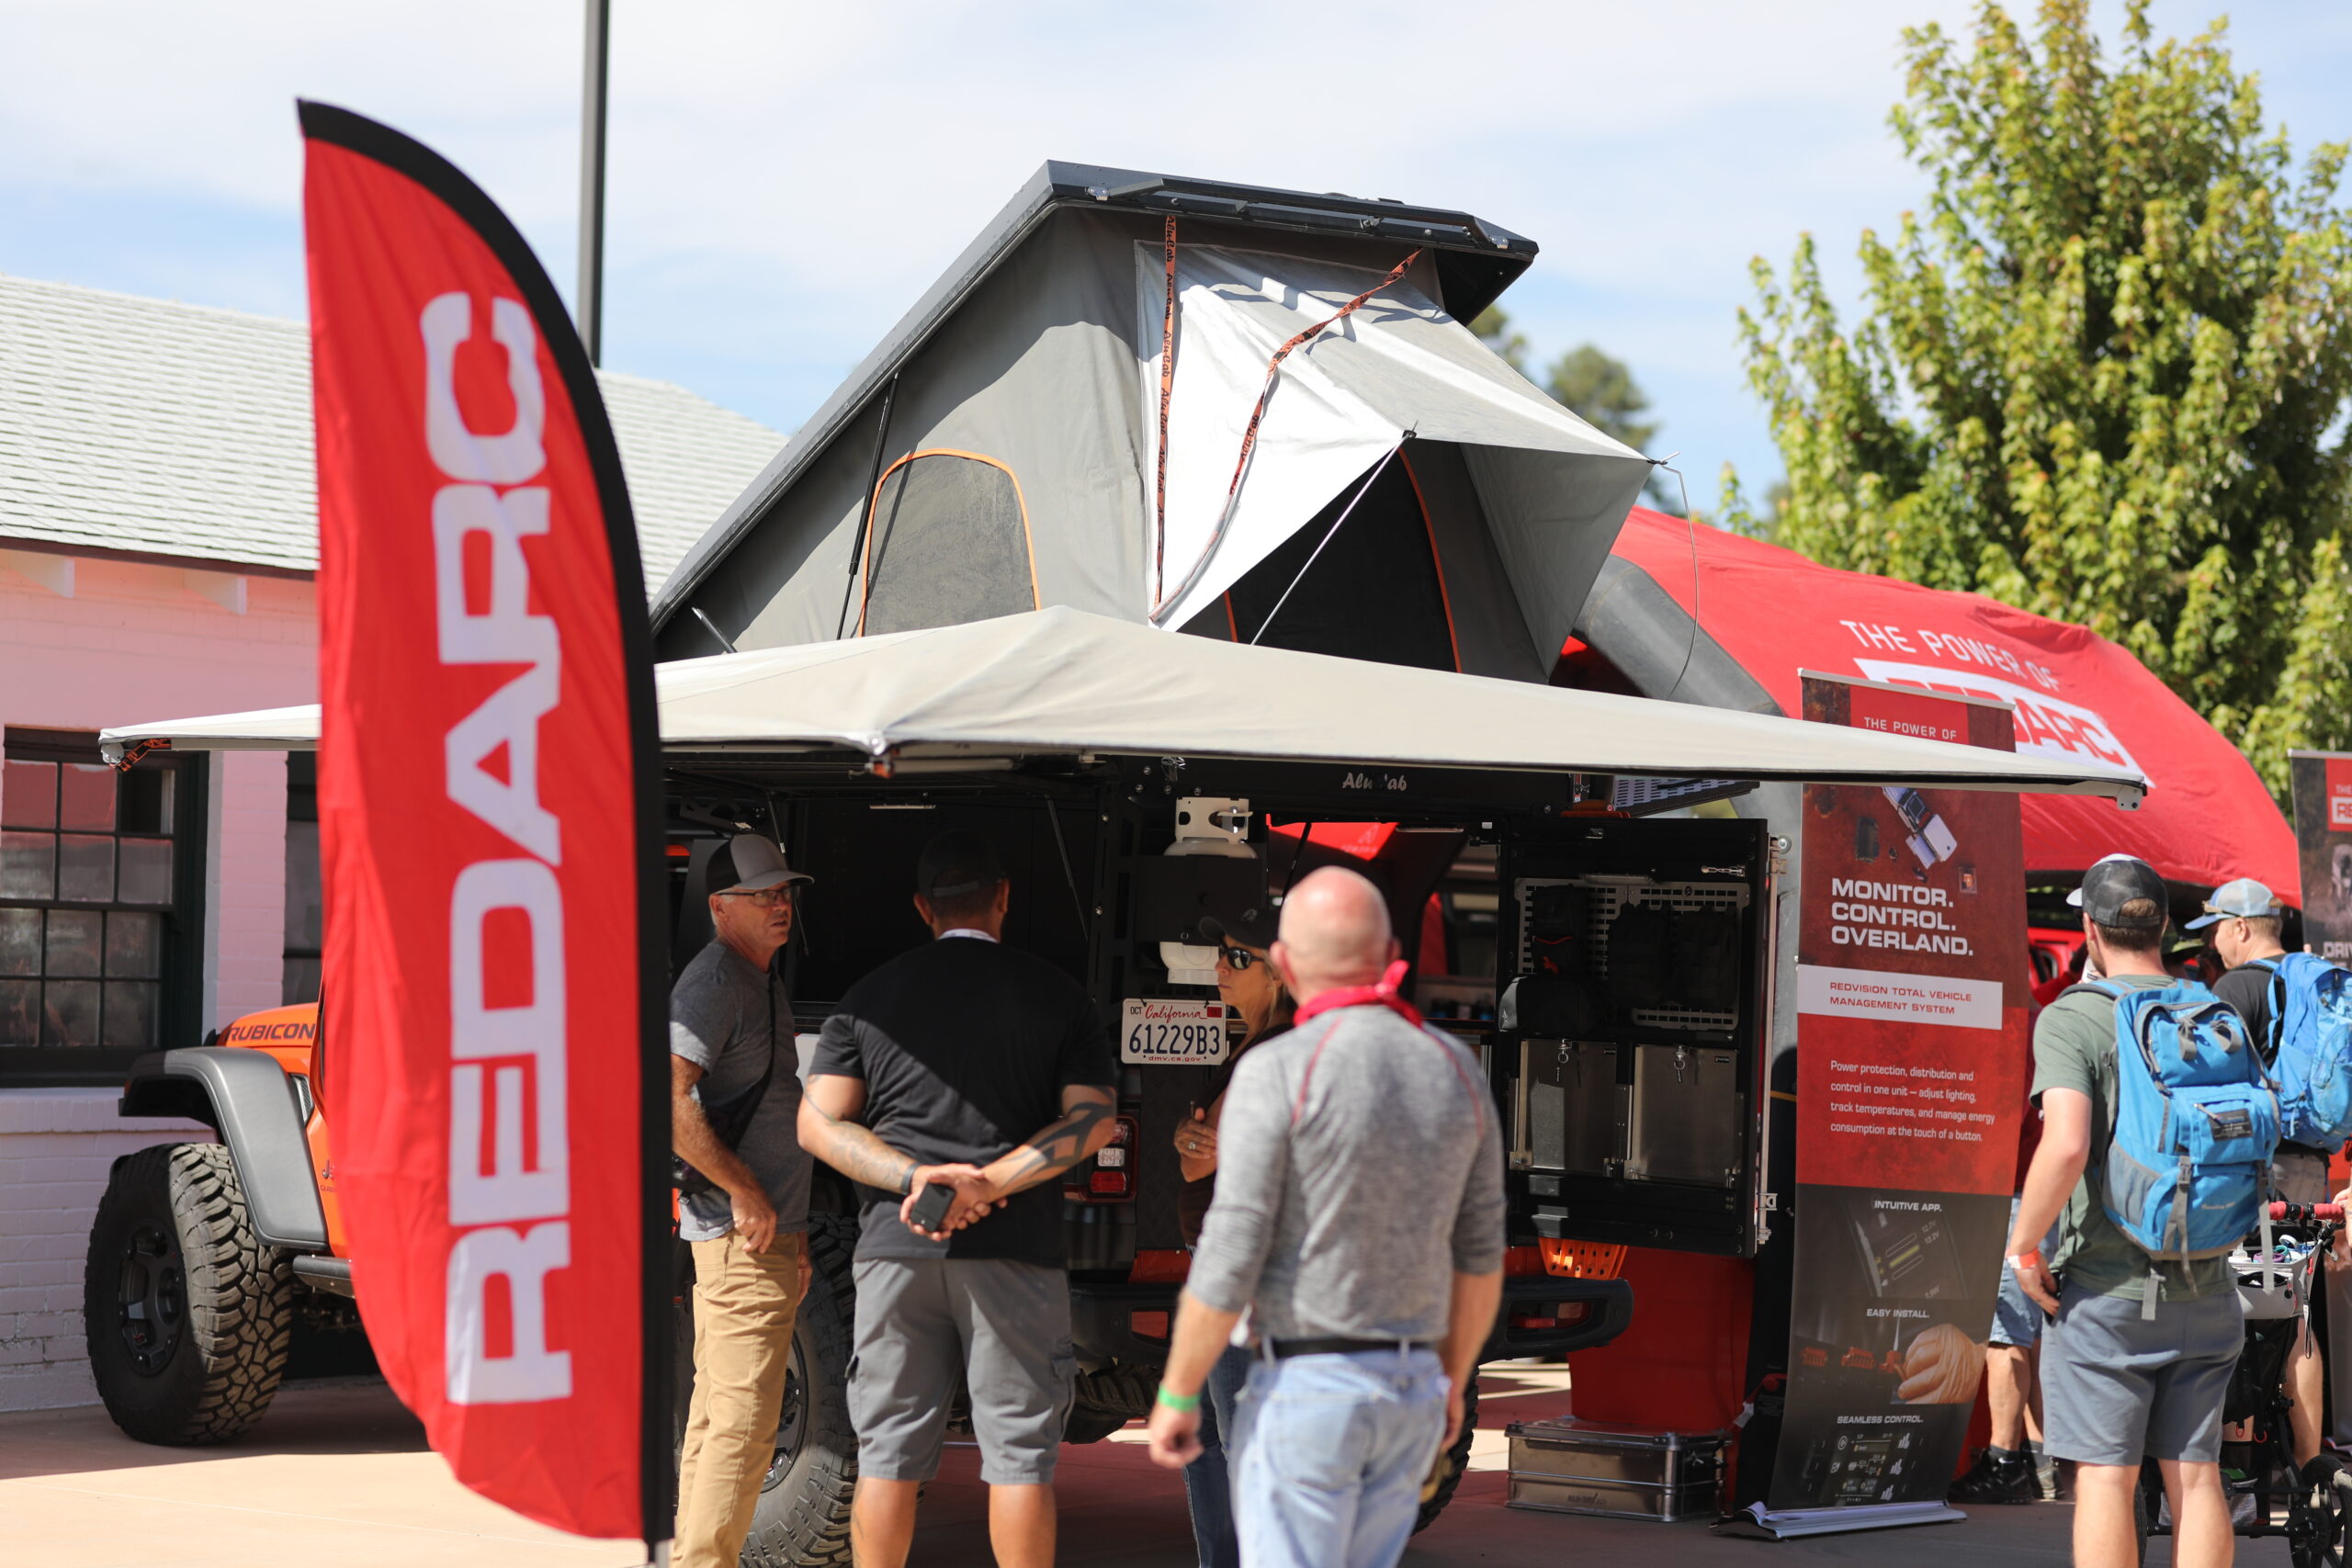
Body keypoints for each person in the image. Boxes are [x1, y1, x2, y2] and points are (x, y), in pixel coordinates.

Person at [1145, 866, 1505, 1568]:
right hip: (1411, 1388)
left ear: (1285, 963)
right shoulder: (1455, 1068)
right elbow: (1479, 1259)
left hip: (1310, 1388)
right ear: (1391, 951)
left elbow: (1230, 1251)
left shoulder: (1277, 1070)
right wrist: (1450, 1382)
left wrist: (1178, 1388)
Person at [797, 829, 1117, 1568]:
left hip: (896, 1246)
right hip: (1017, 1255)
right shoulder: (1059, 995)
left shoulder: (867, 998)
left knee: (889, 1453)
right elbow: (1093, 1119)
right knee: (1018, 1455)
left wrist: (917, 1178)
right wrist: (991, 1181)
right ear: (1005, 898)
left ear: (921, 908)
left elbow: (818, 1122)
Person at [2008, 855, 2243, 1568]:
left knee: (2108, 1477)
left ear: (2088, 928)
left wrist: (2025, 1245)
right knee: (2196, 1476)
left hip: (2108, 1292)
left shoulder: (2074, 1017)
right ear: (2166, 925)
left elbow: (2068, 1142)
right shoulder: (2214, 1011)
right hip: (2208, 1285)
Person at [671, 834, 818, 1568]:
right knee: (742, 1425)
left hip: (758, 1236)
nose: (779, 903)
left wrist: (790, 1227)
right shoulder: (716, 980)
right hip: (740, 1237)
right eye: (763, 894)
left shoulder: (756, 975)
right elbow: (668, 1097)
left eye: (783, 890)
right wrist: (748, 1194)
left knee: (717, 1419)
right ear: (719, 905)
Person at [1171, 895, 1295, 1568]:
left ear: (1278, 971)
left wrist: (1192, 1142)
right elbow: (1203, 1146)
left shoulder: (1276, 1051)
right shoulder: (1256, 1045)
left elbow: (1208, 1156)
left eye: (1238, 957)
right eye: (1220, 954)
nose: (1221, 966)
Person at [2195, 877, 2329, 1470]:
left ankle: (2239, 1467)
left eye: (2216, 930)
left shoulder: (2237, 985)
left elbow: (2215, 1087)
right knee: (2292, 1313)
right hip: (2311, 1169)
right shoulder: (2316, 983)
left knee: (2240, 1309)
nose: (2214, 944)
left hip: (2256, 1171)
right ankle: (2308, 1470)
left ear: (2241, 927)